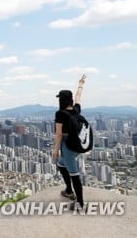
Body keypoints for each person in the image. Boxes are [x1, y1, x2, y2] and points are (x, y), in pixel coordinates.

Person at [53, 74, 86, 211]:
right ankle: (68, 190)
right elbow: (78, 97)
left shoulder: (60, 113)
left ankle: (80, 203)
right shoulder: (76, 110)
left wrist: (55, 150)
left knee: (74, 174)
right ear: (70, 100)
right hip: (78, 145)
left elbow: (59, 133)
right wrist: (80, 84)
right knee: (61, 164)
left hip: (67, 146)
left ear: (61, 100)